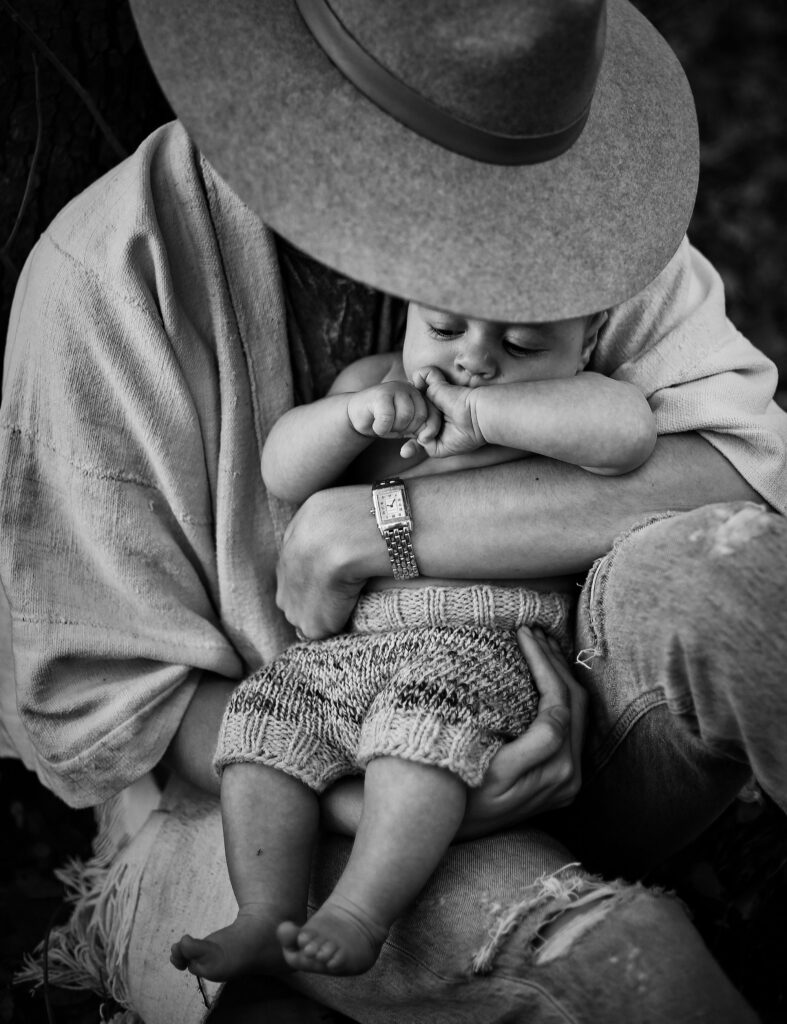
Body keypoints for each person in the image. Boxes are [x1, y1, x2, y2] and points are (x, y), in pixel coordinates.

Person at [1, 1, 786, 1022]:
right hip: (273, 788)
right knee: (618, 964)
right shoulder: (106, 279)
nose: (473, 332)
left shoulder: (572, 213)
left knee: (747, 581)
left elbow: (741, 465)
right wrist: (381, 798)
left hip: (550, 694)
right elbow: (114, 703)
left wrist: (382, 526)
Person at [171, 301, 656, 980]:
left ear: (586, 343)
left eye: (520, 346)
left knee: (416, 735)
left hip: (482, 643)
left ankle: (359, 914)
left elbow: (628, 435)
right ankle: (263, 914)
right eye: (445, 329)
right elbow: (281, 472)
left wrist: (484, 415)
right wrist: (350, 416)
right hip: (348, 649)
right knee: (262, 722)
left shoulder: (572, 402)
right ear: (407, 309)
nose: (475, 359)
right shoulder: (374, 382)